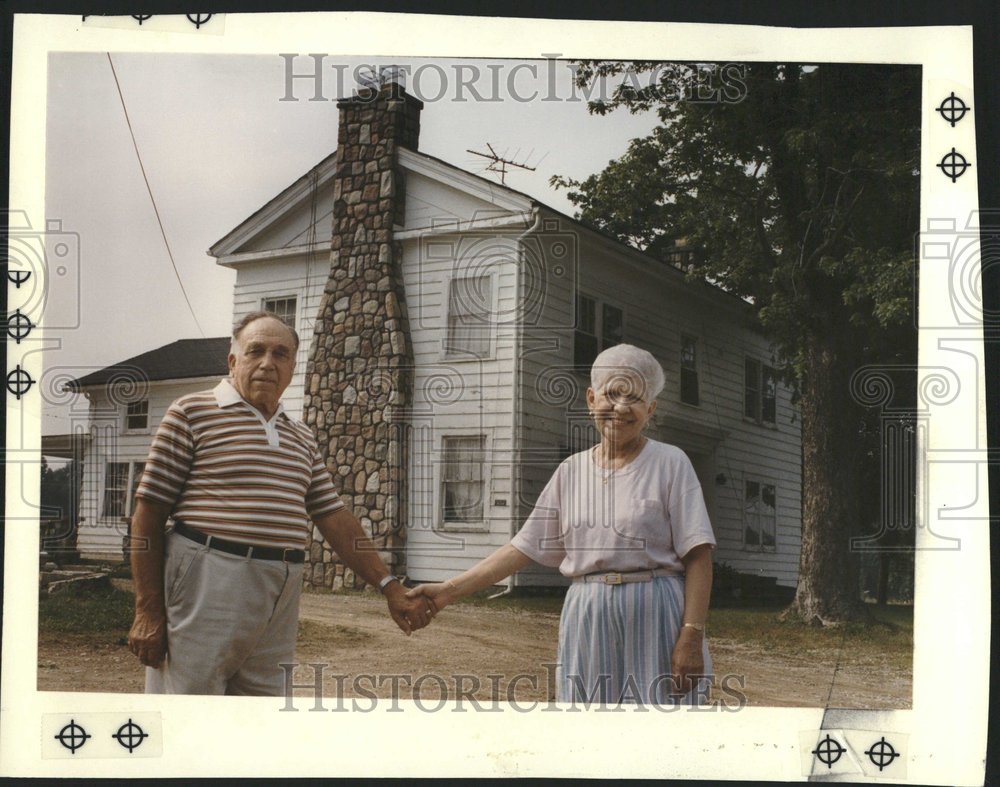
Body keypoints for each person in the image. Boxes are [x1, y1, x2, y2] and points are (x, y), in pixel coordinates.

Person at [127, 312, 435, 695]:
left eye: (281, 354)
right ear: (232, 360)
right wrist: (147, 610)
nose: (268, 363)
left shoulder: (300, 434)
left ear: (292, 367)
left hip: (281, 583)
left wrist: (389, 586)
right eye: (255, 351)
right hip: (208, 575)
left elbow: (333, 516)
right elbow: (147, 514)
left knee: (263, 712)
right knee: (191, 709)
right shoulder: (191, 412)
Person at [408, 344, 715, 705]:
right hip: (587, 616)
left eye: (634, 398)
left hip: (656, 613)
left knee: (663, 727)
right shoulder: (571, 472)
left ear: (650, 409)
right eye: (611, 393)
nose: (619, 407)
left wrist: (691, 635)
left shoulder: (670, 463)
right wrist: (447, 591)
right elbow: (521, 548)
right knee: (588, 731)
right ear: (590, 399)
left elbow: (698, 556)